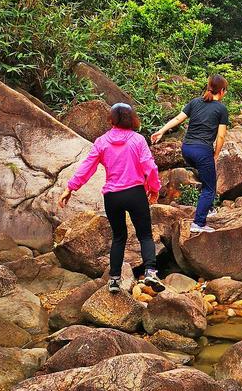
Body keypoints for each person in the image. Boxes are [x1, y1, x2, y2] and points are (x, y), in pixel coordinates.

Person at [58, 102, 165, 294]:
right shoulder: (138, 140)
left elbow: (87, 167)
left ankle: (114, 280)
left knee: (119, 237)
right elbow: (150, 168)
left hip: (112, 196)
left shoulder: (102, 142)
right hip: (135, 193)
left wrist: (70, 187)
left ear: (111, 119)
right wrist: (154, 189)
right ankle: (150, 271)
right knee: (145, 235)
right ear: (132, 119)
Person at [151, 74, 228, 233]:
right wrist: (215, 154)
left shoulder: (195, 102)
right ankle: (199, 223)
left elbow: (178, 119)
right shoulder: (221, 109)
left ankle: (208, 207)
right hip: (202, 151)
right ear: (221, 91)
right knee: (210, 188)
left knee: (205, 176)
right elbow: (221, 136)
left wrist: (161, 131)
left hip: (186, 150)